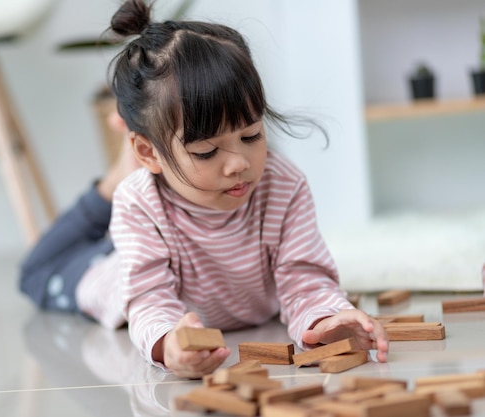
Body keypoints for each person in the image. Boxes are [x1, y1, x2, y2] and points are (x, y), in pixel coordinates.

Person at [20, 0, 389, 378]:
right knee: (37, 274)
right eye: (207, 151)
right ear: (148, 151)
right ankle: (114, 179)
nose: (239, 164)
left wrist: (326, 319)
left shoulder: (282, 183)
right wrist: (168, 343)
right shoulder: (138, 203)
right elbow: (148, 299)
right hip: (108, 274)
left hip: (165, 208)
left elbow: (304, 278)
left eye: (251, 135)